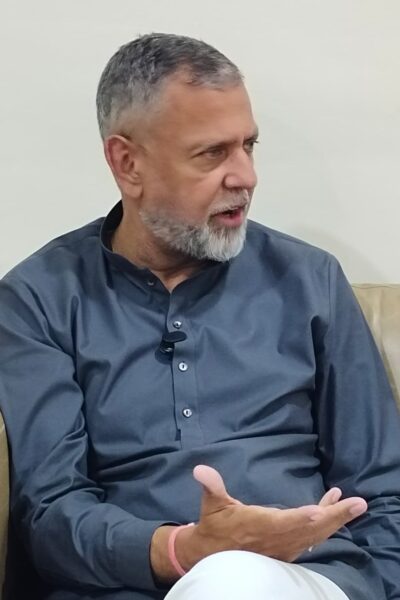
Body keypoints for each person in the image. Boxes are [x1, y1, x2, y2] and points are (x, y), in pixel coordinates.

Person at [0, 33, 399, 600]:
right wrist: (183, 550)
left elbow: (382, 490)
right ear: (127, 163)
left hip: (310, 579)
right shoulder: (39, 299)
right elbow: (50, 515)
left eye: (249, 146)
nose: (245, 176)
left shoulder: (310, 280)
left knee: (237, 580)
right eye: (212, 153)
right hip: (126, 587)